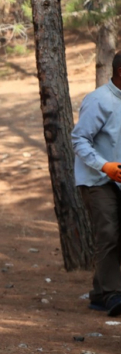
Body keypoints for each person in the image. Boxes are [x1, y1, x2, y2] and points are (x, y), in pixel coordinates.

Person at [72, 51, 121, 317]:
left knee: (115, 236)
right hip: (97, 179)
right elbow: (79, 140)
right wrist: (105, 166)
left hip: (119, 178)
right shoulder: (99, 100)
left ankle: (99, 294)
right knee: (109, 233)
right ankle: (113, 295)